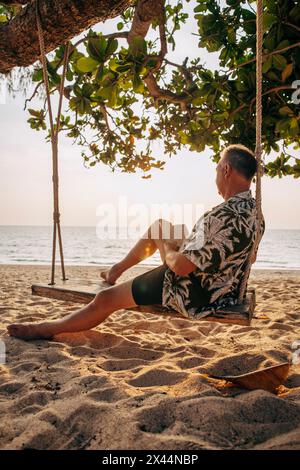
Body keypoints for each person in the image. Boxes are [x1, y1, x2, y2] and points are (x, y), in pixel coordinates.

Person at [7, 144, 265, 340]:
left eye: (217, 169)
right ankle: (115, 271)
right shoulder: (256, 214)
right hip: (226, 289)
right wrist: (183, 242)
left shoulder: (220, 215)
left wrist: (169, 250)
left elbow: (181, 268)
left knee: (105, 300)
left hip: (193, 292)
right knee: (161, 226)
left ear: (226, 170)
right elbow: (246, 257)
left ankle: (45, 329)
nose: (216, 177)